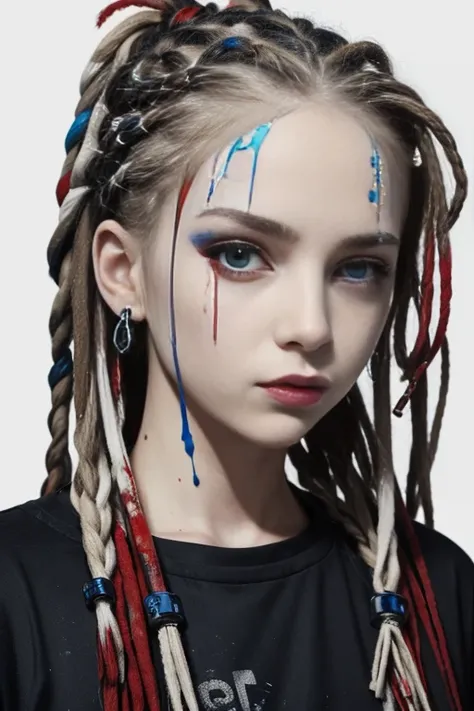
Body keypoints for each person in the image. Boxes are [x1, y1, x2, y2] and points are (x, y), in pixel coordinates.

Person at [0, 1, 472, 710]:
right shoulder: (16, 593)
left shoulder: (435, 594)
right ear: (122, 270)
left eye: (358, 268)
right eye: (242, 253)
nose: (311, 326)